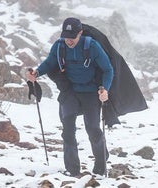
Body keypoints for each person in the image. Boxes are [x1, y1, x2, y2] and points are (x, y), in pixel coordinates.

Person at [26, 17, 113, 176]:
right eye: (66, 35)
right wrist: (37, 72)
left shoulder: (92, 46)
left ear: (80, 33)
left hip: (91, 91)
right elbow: (49, 62)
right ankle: (72, 170)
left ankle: (101, 163)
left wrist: (105, 89)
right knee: (67, 130)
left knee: (93, 129)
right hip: (70, 91)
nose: (69, 40)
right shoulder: (59, 46)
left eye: (72, 36)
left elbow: (108, 69)